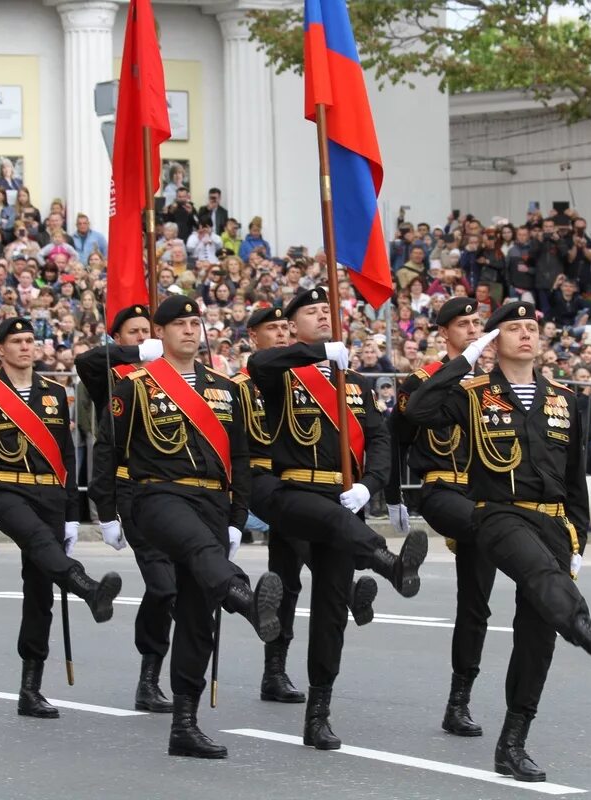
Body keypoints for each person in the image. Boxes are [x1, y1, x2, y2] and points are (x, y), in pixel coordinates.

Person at [403, 300, 591, 784]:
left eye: (532, 327)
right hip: (500, 515)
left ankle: (512, 744)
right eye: (513, 328)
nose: (526, 335)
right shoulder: (473, 394)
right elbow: (420, 408)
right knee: (535, 573)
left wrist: (578, 543)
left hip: (554, 523)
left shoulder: (564, 399)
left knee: (537, 634)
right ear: (494, 340)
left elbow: (576, 484)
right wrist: (468, 359)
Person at [94, 295, 285, 759]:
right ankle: (245, 598)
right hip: (157, 495)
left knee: (199, 615)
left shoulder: (225, 388)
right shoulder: (135, 385)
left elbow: (240, 456)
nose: (188, 330)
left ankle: (185, 722)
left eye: (194, 322)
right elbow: (107, 449)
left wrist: (239, 516)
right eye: (178, 323)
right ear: (160, 332)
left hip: (213, 502)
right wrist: (105, 512)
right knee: (203, 553)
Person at [248, 286, 428, 751]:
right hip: (292, 490)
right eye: (311, 312)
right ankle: (388, 563)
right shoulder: (283, 373)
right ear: (292, 326)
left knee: (330, 609)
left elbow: (379, 437)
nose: (323, 317)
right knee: (291, 577)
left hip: (341, 496)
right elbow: (259, 365)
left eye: (327, 310)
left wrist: (370, 485)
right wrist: (313, 353)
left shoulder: (354, 382)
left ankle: (318, 713)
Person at [0, 317, 123, 719]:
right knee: (36, 540)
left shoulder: (54, 392)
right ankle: (87, 587)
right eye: (16, 341)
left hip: (50, 491)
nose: (25, 347)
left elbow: (67, 454)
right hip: (5, 489)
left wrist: (71, 513)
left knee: (39, 592)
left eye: (30, 340)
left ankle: (29, 690)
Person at [242, 306, 378, 704]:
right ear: (254, 336)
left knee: (289, 575)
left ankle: (281, 669)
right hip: (270, 484)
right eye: (273, 329)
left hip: (305, 486)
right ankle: (276, 667)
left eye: (285, 329)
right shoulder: (254, 378)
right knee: (287, 578)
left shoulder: (318, 374)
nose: (281, 336)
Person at [386, 298, 497, 737]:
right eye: (463, 324)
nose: (473, 330)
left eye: (476, 323)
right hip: (442, 487)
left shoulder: (494, 384)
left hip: (484, 498)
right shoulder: (423, 379)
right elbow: (398, 434)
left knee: (476, 606)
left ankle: (458, 703)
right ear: (444, 333)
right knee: (491, 530)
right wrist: (395, 496)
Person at [75, 304, 177, 713]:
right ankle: (149, 680)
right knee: (163, 585)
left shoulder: (172, 376)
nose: (141, 336)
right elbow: (86, 361)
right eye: (133, 332)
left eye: (146, 331)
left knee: (183, 588)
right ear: (118, 338)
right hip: (132, 492)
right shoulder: (113, 374)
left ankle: (177, 677)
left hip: (175, 493)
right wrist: (106, 511)